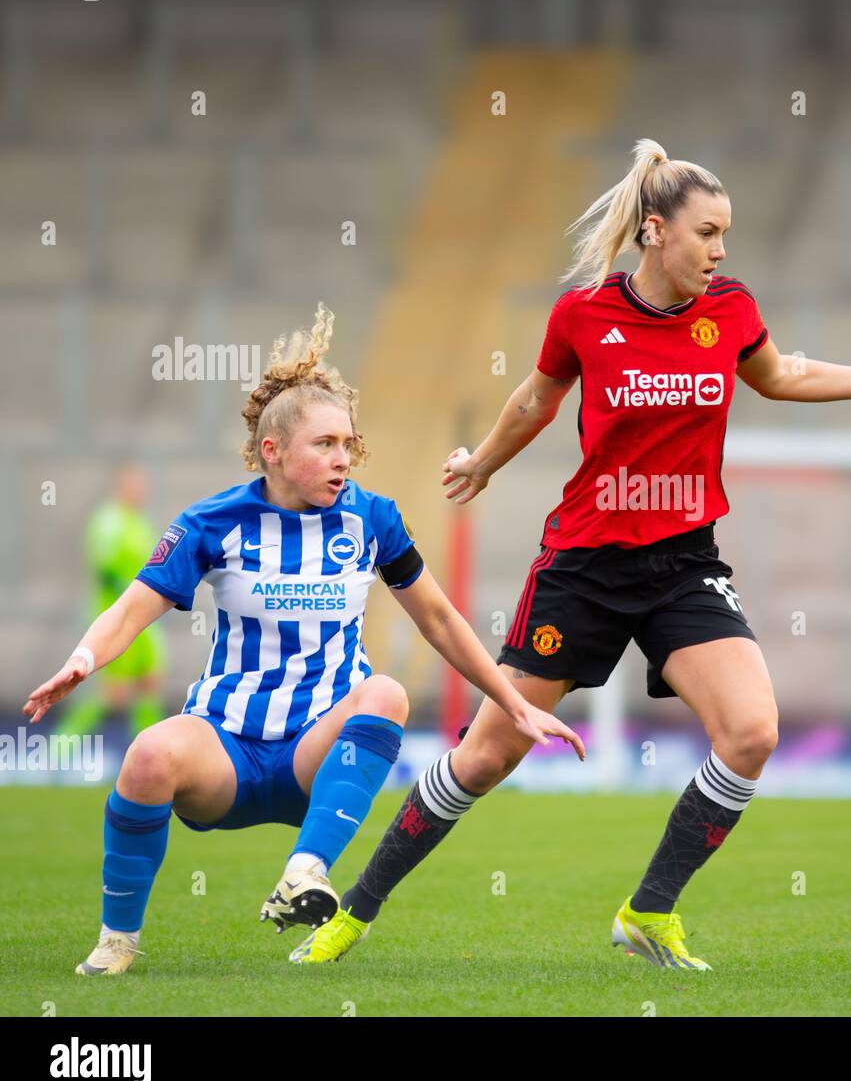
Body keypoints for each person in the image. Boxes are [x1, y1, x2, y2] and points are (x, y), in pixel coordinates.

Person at [294, 139, 851, 971]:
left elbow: (782, 374)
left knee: (751, 732)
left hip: (684, 565)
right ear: (653, 232)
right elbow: (535, 398)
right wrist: (482, 462)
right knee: (486, 755)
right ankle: (354, 913)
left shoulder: (732, 310)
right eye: (707, 233)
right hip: (585, 569)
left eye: (725, 236)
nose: (720, 252)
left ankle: (649, 913)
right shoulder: (585, 316)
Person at [22, 304, 580, 977]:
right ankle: (116, 942)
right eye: (325, 445)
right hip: (225, 752)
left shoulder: (371, 520)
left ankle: (304, 872)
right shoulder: (212, 522)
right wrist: (81, 661)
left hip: (319, 749)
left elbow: (437, 618)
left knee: (386, 692)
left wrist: (512, 701)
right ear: (273, 451)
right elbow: (133, 608)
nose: (343, 459)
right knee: (145, 756)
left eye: (348, 443)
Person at [56, 463, 167, 742]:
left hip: (145, 618)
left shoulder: (139, 521)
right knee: (114, 692)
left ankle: (144, 746)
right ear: (121, 486)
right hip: (118, 614)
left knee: (150, 681)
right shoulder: (109, 521)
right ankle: (58, 747)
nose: (140, 490)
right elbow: (104, 569)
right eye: (134, 483)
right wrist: (130, 590)